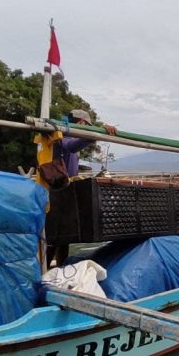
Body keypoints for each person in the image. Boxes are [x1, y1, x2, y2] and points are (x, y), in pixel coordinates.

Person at [44, 109, 117, 267]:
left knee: (64, 238)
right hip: (54, 190)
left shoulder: (67, 136)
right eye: (87, 126)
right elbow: (72, 146)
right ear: (82, 123)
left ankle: (59, 270)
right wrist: (96, 134)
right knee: (52, 237)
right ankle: (44, 271)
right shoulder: (60, 135)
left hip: (66, 190)